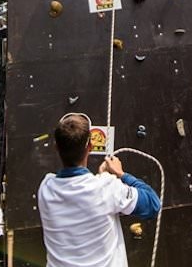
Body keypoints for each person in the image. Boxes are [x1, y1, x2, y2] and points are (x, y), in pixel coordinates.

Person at [38, 112, 160, 267]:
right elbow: (152, 204)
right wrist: (120, 174)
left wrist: (102, 180)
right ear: (90, 146)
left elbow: (81, 196)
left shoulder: (46, 188)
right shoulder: (107, 188)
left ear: (56, 147)